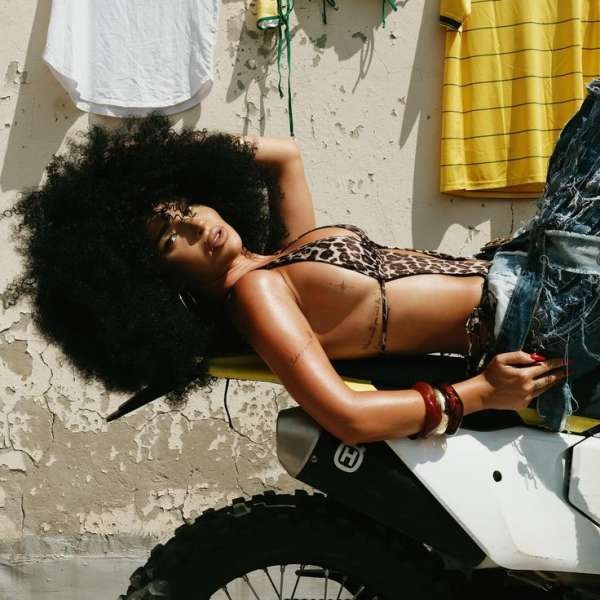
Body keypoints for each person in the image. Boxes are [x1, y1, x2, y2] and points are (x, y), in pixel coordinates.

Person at [12, 93, 600, 443]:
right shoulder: (257, 296)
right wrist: (480, 393)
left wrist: (155, 153)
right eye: (170, 239)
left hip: (533, 267)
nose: (195, 225)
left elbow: (283, 155)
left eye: (185, 207)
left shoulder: (280, 254)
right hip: (546, 312)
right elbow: (347, 416)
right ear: (157, 284)